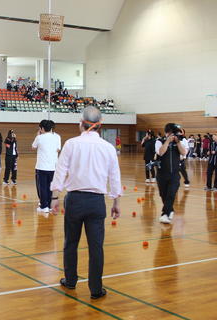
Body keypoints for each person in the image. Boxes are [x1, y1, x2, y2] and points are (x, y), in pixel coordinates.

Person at [50, 106, 121, 300]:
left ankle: (71, 281)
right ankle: (96, 289)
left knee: (70, 243)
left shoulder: (71, 144)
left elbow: (60, 171)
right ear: (100, 125)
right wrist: (116, 201)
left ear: (81, 123)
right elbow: (114, 176)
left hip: (75, 200)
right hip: (97, 202)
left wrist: (55, 197)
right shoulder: (108, 147)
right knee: (96, 247)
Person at [155, 123, 187, 224]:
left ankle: (165, 214)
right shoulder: (159, 141)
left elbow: (184, 153)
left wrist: (178, 143)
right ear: (167, 133)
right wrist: (167, 141)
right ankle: (170, 211)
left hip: (174, 174)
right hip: (162, 174)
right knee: (163, 194)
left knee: (171, 194)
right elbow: (160, 152)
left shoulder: (179, 142)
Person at [32, 120, 61, 213]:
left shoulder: (40, 138)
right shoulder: (57, 137)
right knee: (50, 186)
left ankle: (44, 206)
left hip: (41, 167)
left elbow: (33, 147)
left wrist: (38, 135)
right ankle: (49, 205)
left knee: (42, 187)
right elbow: (58, 149)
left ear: (42, 128)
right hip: (53, 166)